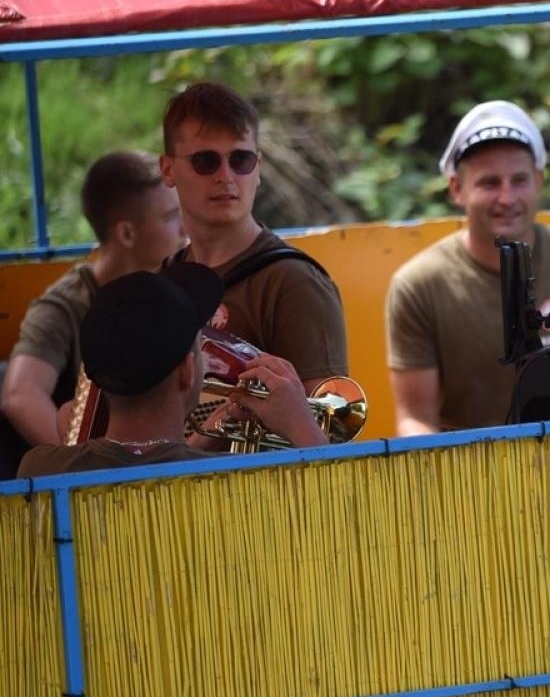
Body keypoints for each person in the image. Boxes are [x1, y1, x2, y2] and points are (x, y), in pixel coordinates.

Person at [386, 100, 550, 434]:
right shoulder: (417, 286)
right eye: (489, 183)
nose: (507, 198)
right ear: (457, 189)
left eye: (519, 180)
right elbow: (416, 418)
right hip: (469, 458)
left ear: (539, 181)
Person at [16, 264, 328, 479]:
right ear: (187, 371)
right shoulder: (237, 476)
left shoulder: (38, 467)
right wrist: (303, 426)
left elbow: (144, 469)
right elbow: (340, 513)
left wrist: (201, 441)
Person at [161, 82, 348, 393]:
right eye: (205, 161)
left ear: (258, 168)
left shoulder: (295, 283)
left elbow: (325, 418)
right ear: (167, 169)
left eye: (241, 160)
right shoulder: (167, 280)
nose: (226, 176)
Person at [2, 151, 183, 458]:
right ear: (126, 233)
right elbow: (20, 395)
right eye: (170, 217)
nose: (185, 229)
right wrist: (83, 465)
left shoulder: (178, 286)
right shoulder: (64, 306)